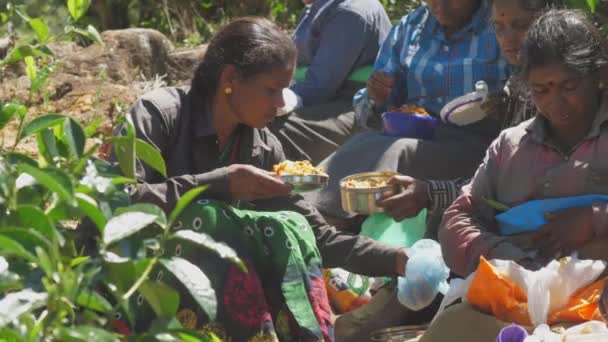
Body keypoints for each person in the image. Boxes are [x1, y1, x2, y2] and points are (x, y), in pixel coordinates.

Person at [112, 17, 408, 341]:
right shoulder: (159, 115)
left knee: (288, 228)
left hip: (217, 298)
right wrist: (218, 183)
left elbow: (317, 235)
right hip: (139, 276)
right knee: (210, 217)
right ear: (230, 79)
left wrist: (398, 260)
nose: (281, 104)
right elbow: (115, 201)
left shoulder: (261, 145)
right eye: (272, 90)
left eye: (285, 89)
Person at [310, 0, 509, 340]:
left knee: (396, 152)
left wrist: (498, 104)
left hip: (472, 143)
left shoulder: (502, 23)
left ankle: (337, 245)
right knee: (364, 146)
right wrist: (375, 96)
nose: (439, 7)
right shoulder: (411, 28)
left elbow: (521, 96)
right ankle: (312, 229)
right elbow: (369, 110)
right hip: (408, 130)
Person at [422, 9, 608, 341]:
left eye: (569, 86)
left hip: (599, 303)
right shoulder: (510, 147)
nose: (556, 102)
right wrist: (508, 259)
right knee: (448, 329)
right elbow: (458, 219)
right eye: (541, 90)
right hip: (517, 299)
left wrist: (594, 219)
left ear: (599, 75)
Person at [379, 0, 561, 232]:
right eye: (499, 27)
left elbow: (519, 184)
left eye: (520, 25)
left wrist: (432, 193)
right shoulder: (518, 85)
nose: (507, 38)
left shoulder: (551, 84)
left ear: (548, 21)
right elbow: (498, 174)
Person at [270, 0, 392, 164]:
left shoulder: (350, 13)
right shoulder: (316, 8)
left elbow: (319, 87)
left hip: (359, 108)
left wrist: (272, 100)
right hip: (325, 97)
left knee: (268, 127)